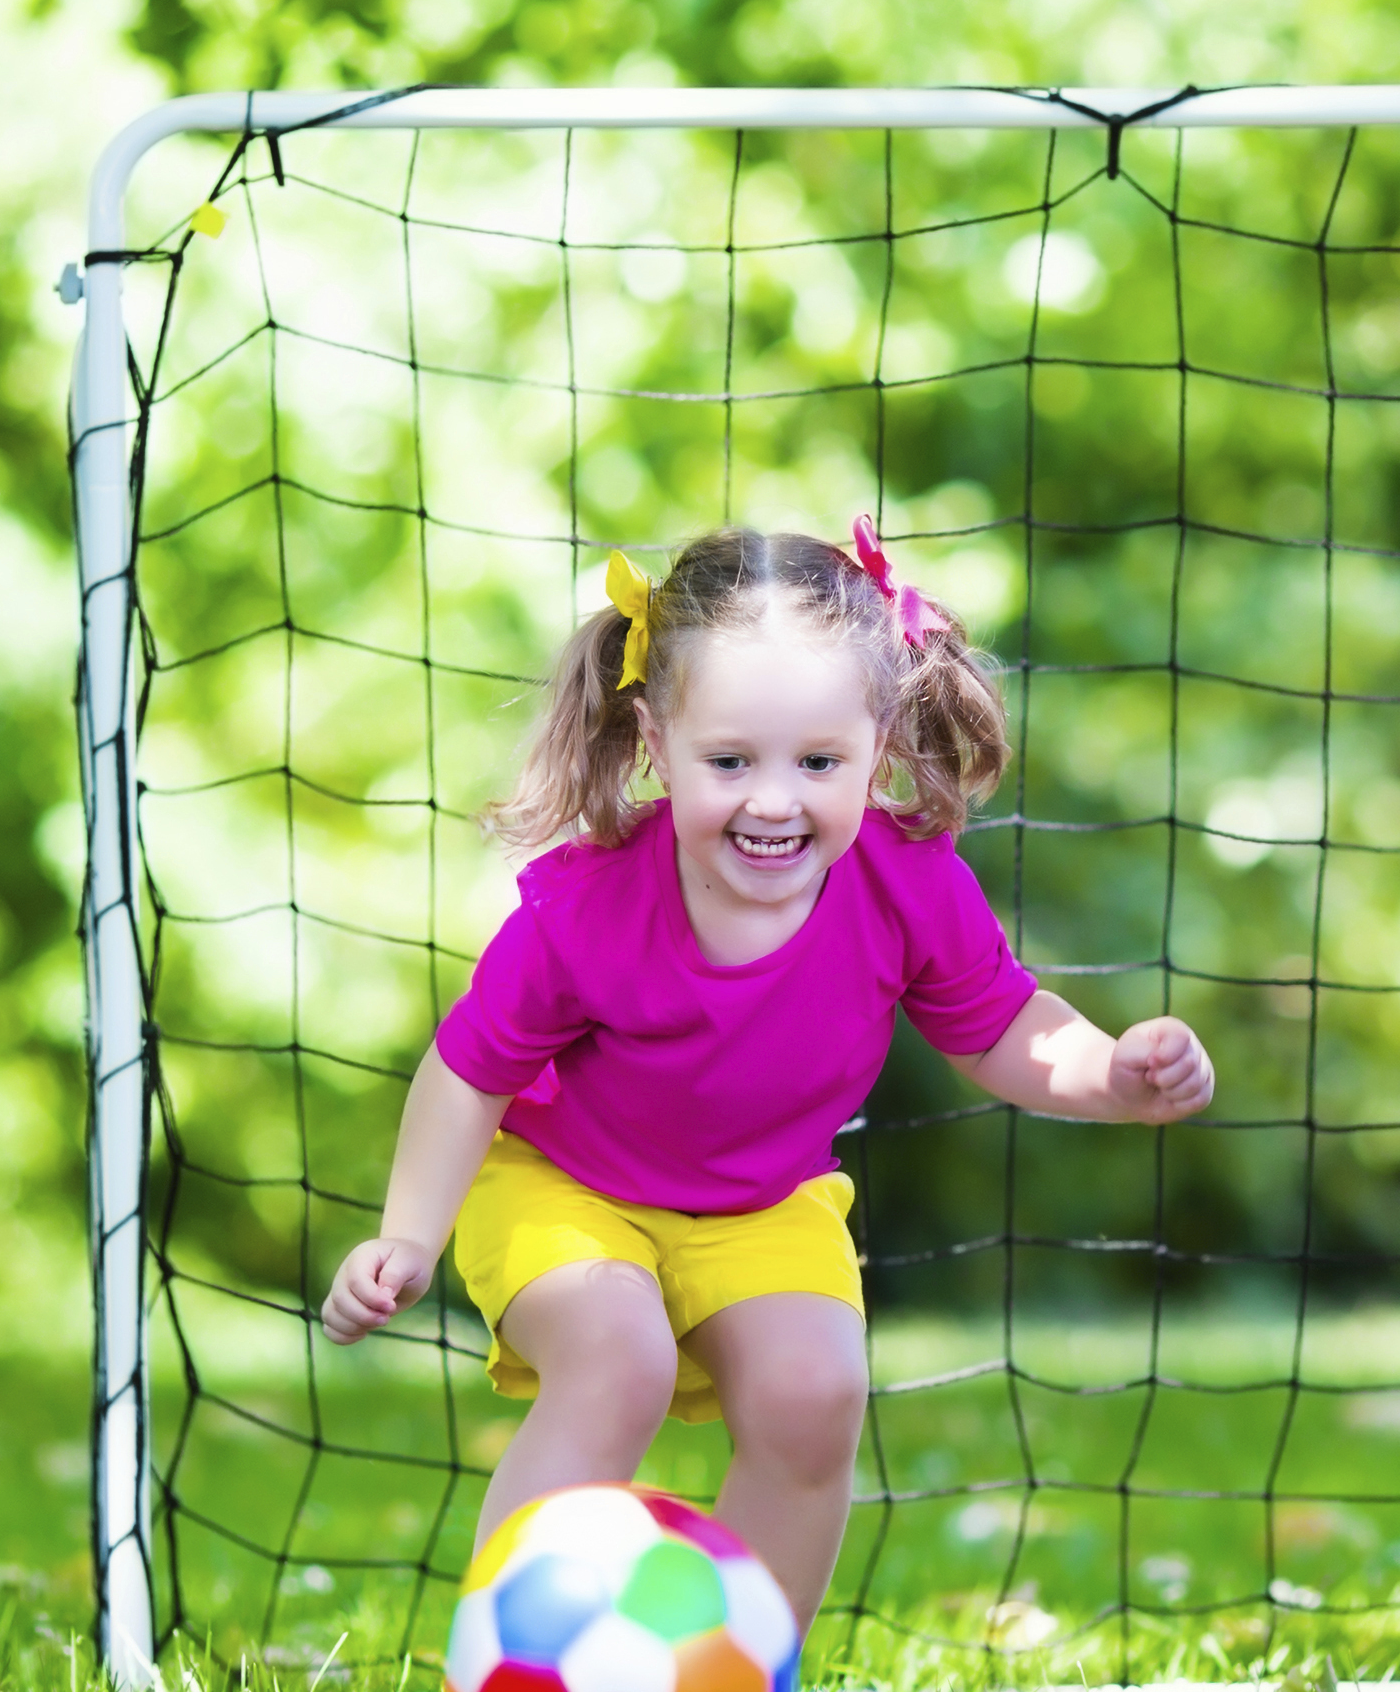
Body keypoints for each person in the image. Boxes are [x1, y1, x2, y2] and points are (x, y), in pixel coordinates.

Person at [322, 521, 1214, 1628]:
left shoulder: (906, 882)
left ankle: (729, 1679)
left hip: (763, 1201)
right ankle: (511, 1661)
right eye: (731, 760)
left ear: (877, 743)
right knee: (618, 1354)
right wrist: (405, 1237)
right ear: (655, 738)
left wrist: (1117, 1072)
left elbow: (1001, 1025)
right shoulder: (588, 906)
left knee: (814, 1393)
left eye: (819, 762)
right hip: (567, 1191)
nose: (774, 800)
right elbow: (468, 1071)